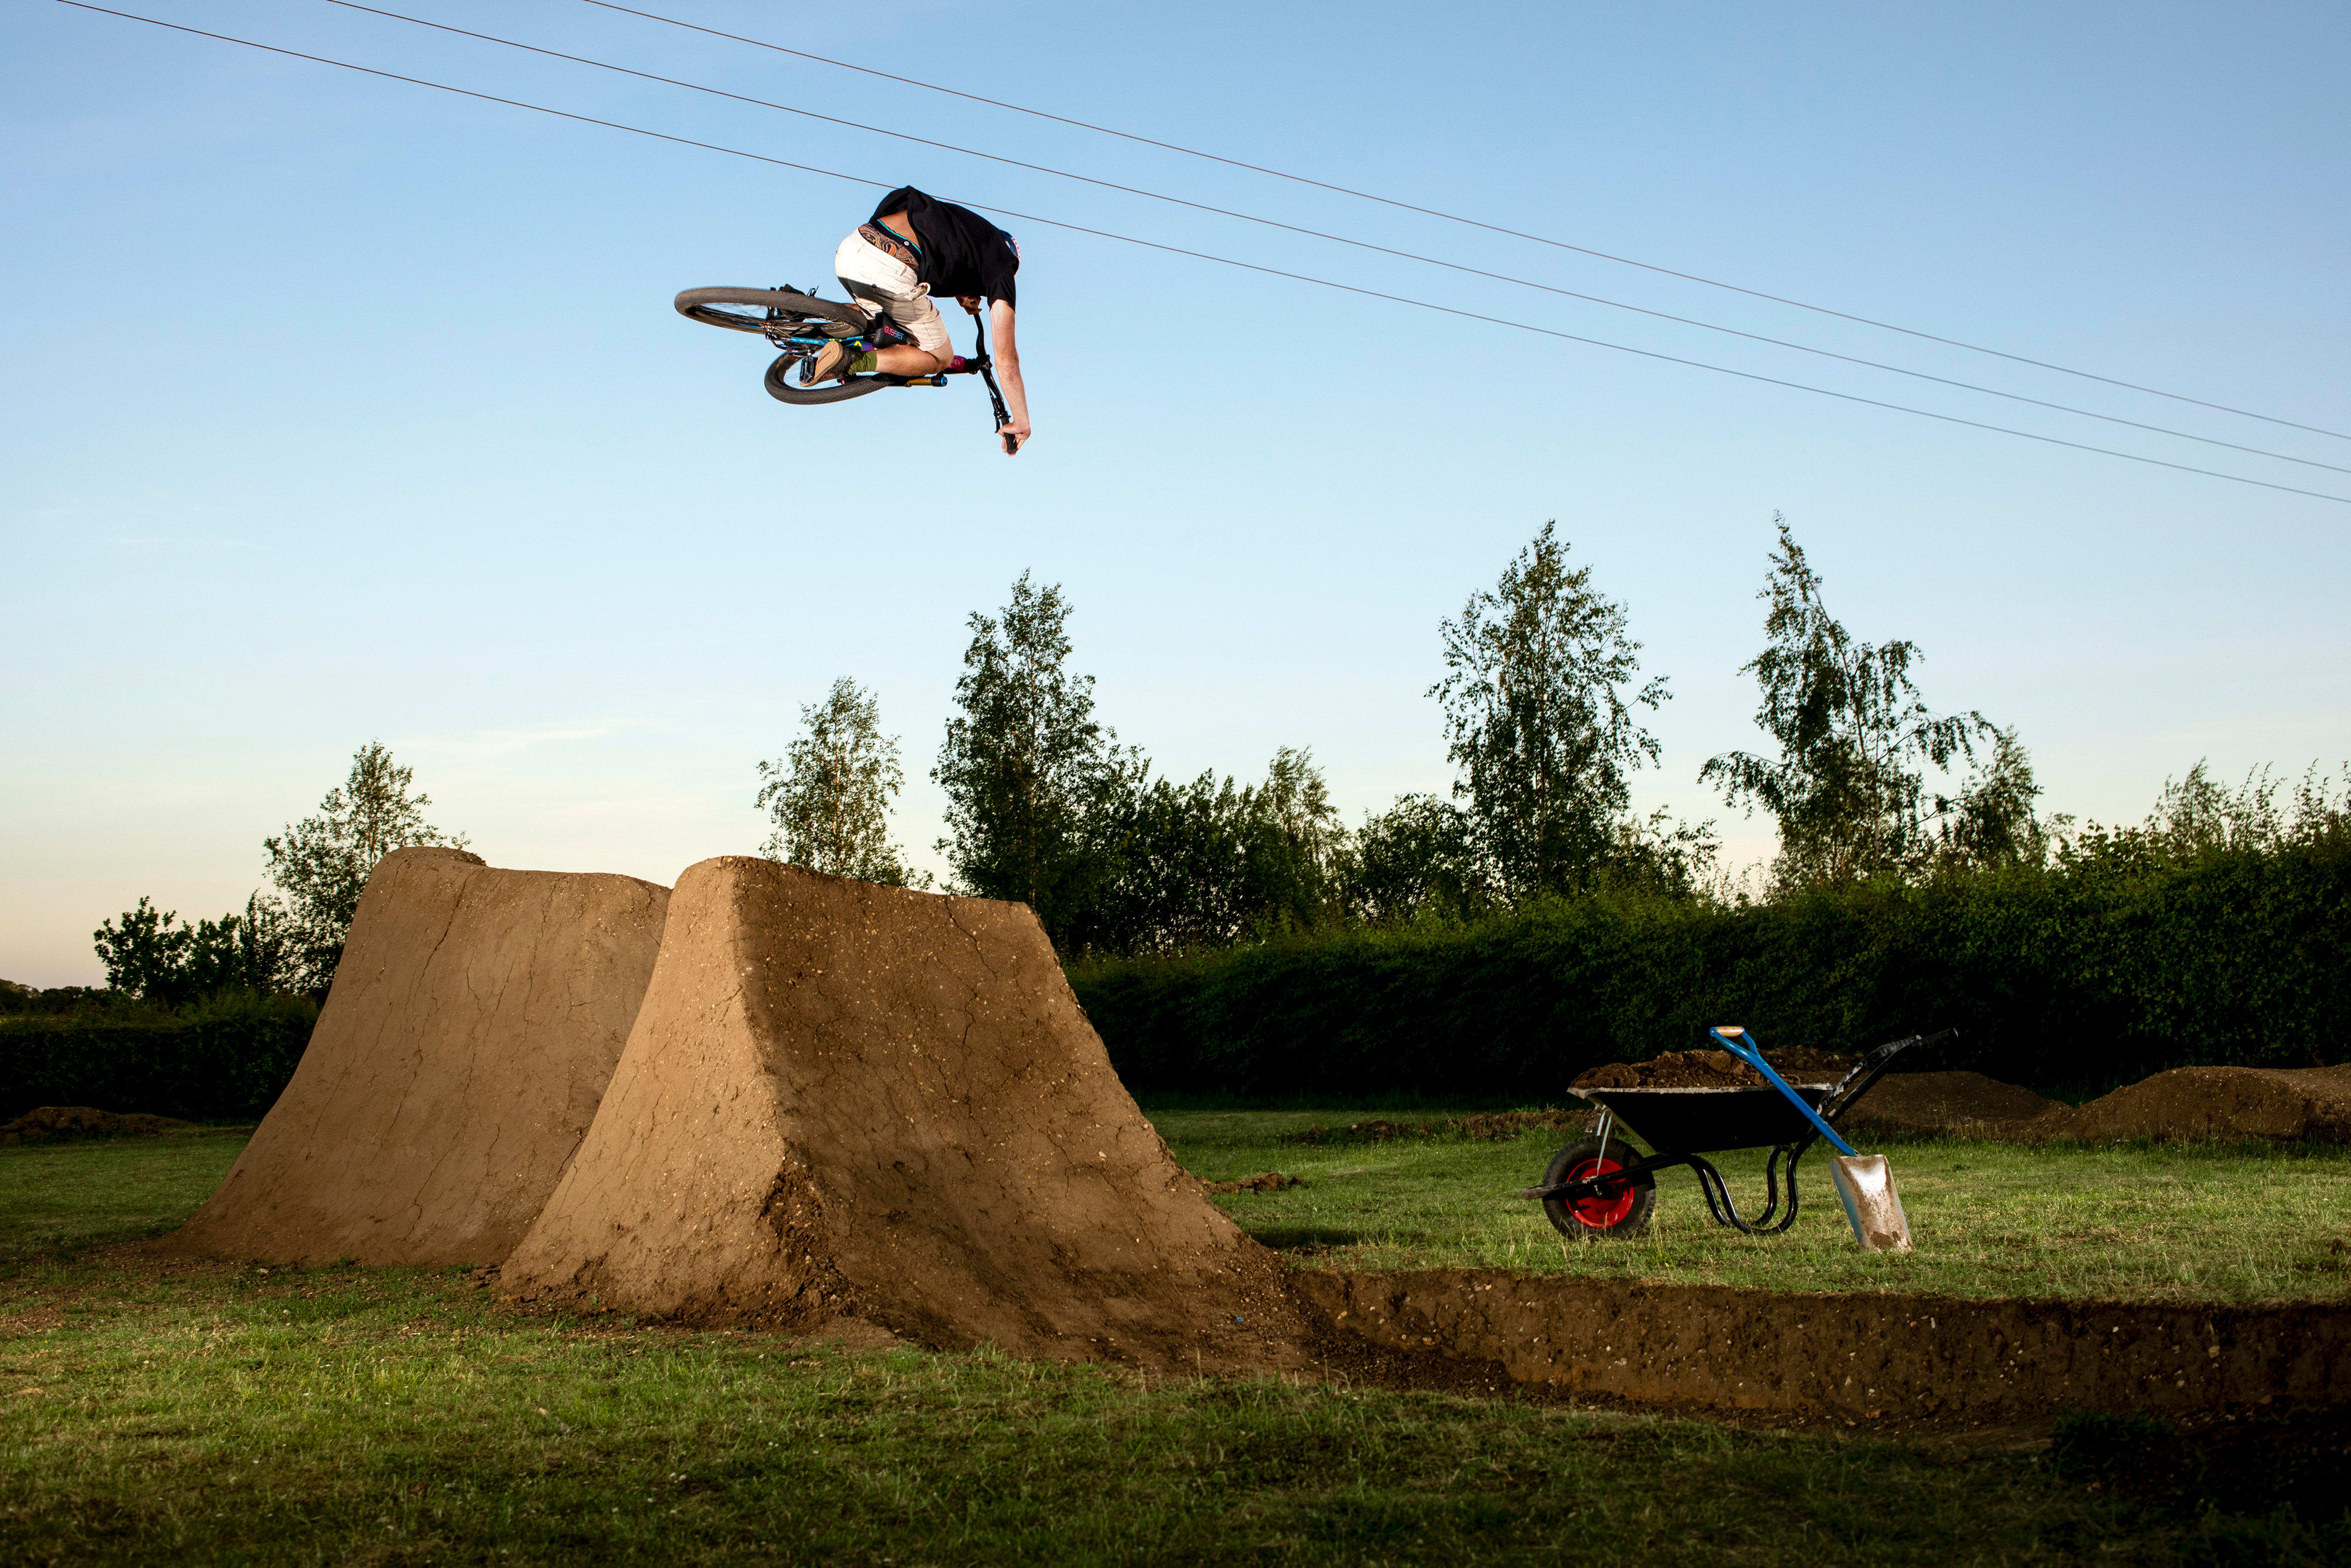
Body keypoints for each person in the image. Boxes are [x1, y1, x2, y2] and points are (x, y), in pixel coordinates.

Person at [811, 186, 1031, 454]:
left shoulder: (968, 228)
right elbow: (1007, 359)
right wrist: (1022, 420)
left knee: (878, 320)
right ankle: (852, 360)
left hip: (852, 248)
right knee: (940, 356)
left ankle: (799, 314)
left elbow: (940, 244)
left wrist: (961, 293)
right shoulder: (1004, 264)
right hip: (893, 267)